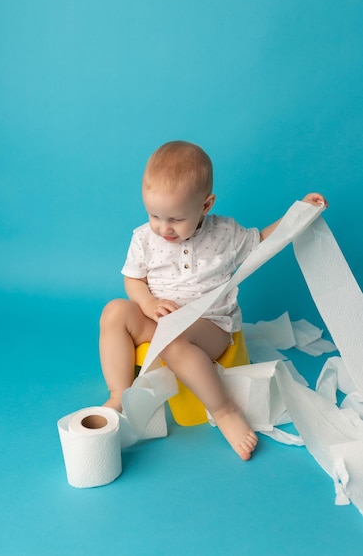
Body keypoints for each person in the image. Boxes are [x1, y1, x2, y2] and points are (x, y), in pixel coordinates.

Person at [99, 141, 328, 460]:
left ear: (205, 206)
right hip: (158, 319)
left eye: (176, 219)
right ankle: (118, 393)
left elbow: (262, 242)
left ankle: (224, 410)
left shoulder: (225, 233)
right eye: (154, 215)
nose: (163, 228)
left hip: (208, 326)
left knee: (173, 344)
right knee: (114, 312)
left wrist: (299, 213)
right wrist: (149, 304)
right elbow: (133, 280)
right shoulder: (144, 237)